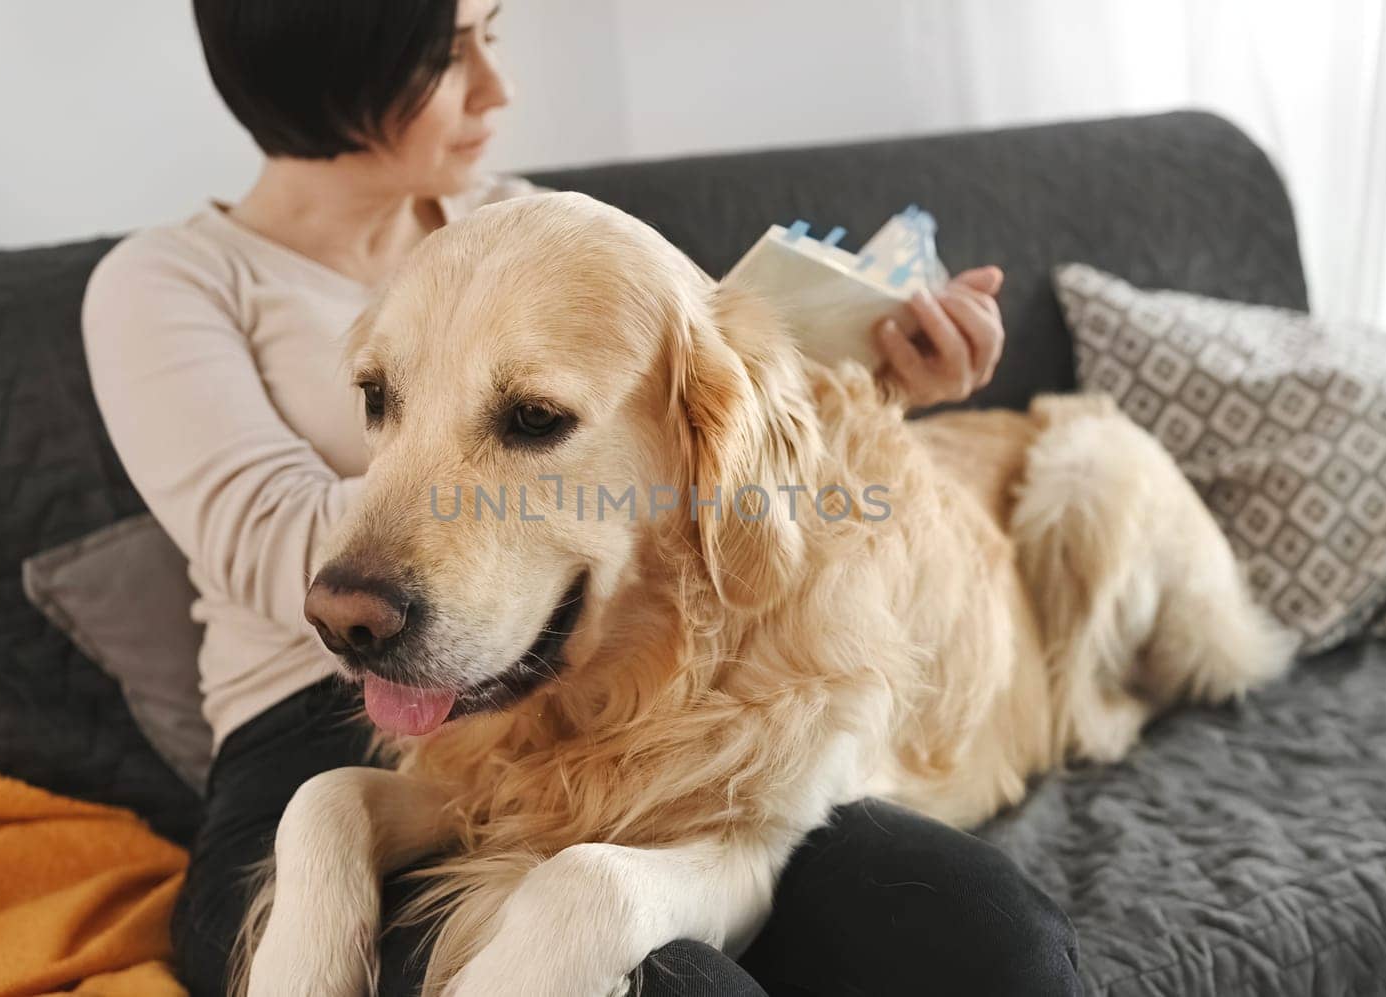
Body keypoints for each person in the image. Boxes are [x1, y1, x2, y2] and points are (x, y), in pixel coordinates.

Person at [81, 1, 1081, 994]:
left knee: (997, 945)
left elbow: (705, 441)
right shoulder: (170, 280)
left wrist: (873, 381)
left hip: (602, 707)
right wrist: (517, 460)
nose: (498, 89)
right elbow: (266, 537)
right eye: (446, 53)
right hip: (313, 727)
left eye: (493, 35)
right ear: (326, 56)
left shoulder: (528, 219)